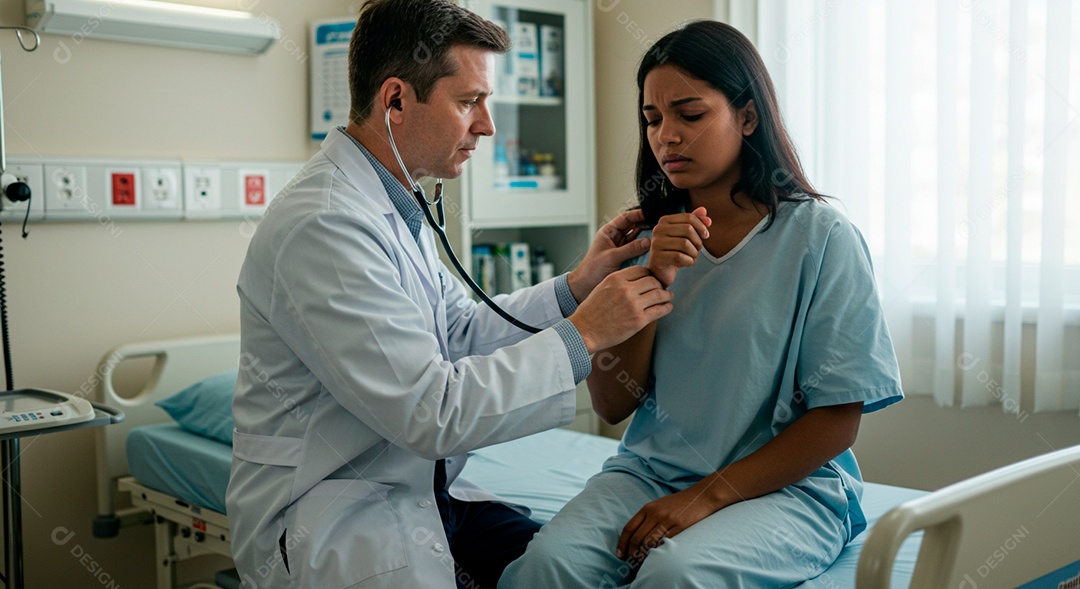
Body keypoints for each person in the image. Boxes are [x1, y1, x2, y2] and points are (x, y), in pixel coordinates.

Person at [224, 1, 673, 588]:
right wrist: (586, 333)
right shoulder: (325, 225)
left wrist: (574, 289)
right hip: (338, 516)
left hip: (423, 494)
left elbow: (456, 330)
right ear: (396, 102)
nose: (486, 125)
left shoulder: (391, 201)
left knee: (571, 574)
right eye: (469, 102)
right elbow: (430, 411)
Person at [499, 20, 904, 588]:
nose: (666, 136)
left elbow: (837, 420)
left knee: (674, 575)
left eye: (690, 115)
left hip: (789, 490)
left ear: (747, 117)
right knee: (542, 569)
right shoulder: (640, 241)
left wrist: (704, 498)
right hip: (649, 472)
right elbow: (614, 404)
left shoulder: (821, 238)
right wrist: (654, 278)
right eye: (652, 119)